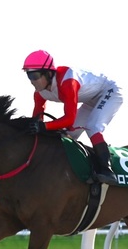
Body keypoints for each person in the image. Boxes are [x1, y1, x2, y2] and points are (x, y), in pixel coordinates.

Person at [22, 50, 122, 185]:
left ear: (48, 73)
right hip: (90, 100)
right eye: (29, 75)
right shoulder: (39, 93)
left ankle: (106, 169)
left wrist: (45, 126)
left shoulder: (68, 81)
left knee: (92, 127)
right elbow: (37, 120)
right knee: (68, 134)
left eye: (34, 75)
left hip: (109, 91)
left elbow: (69, 118)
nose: (32, 81)